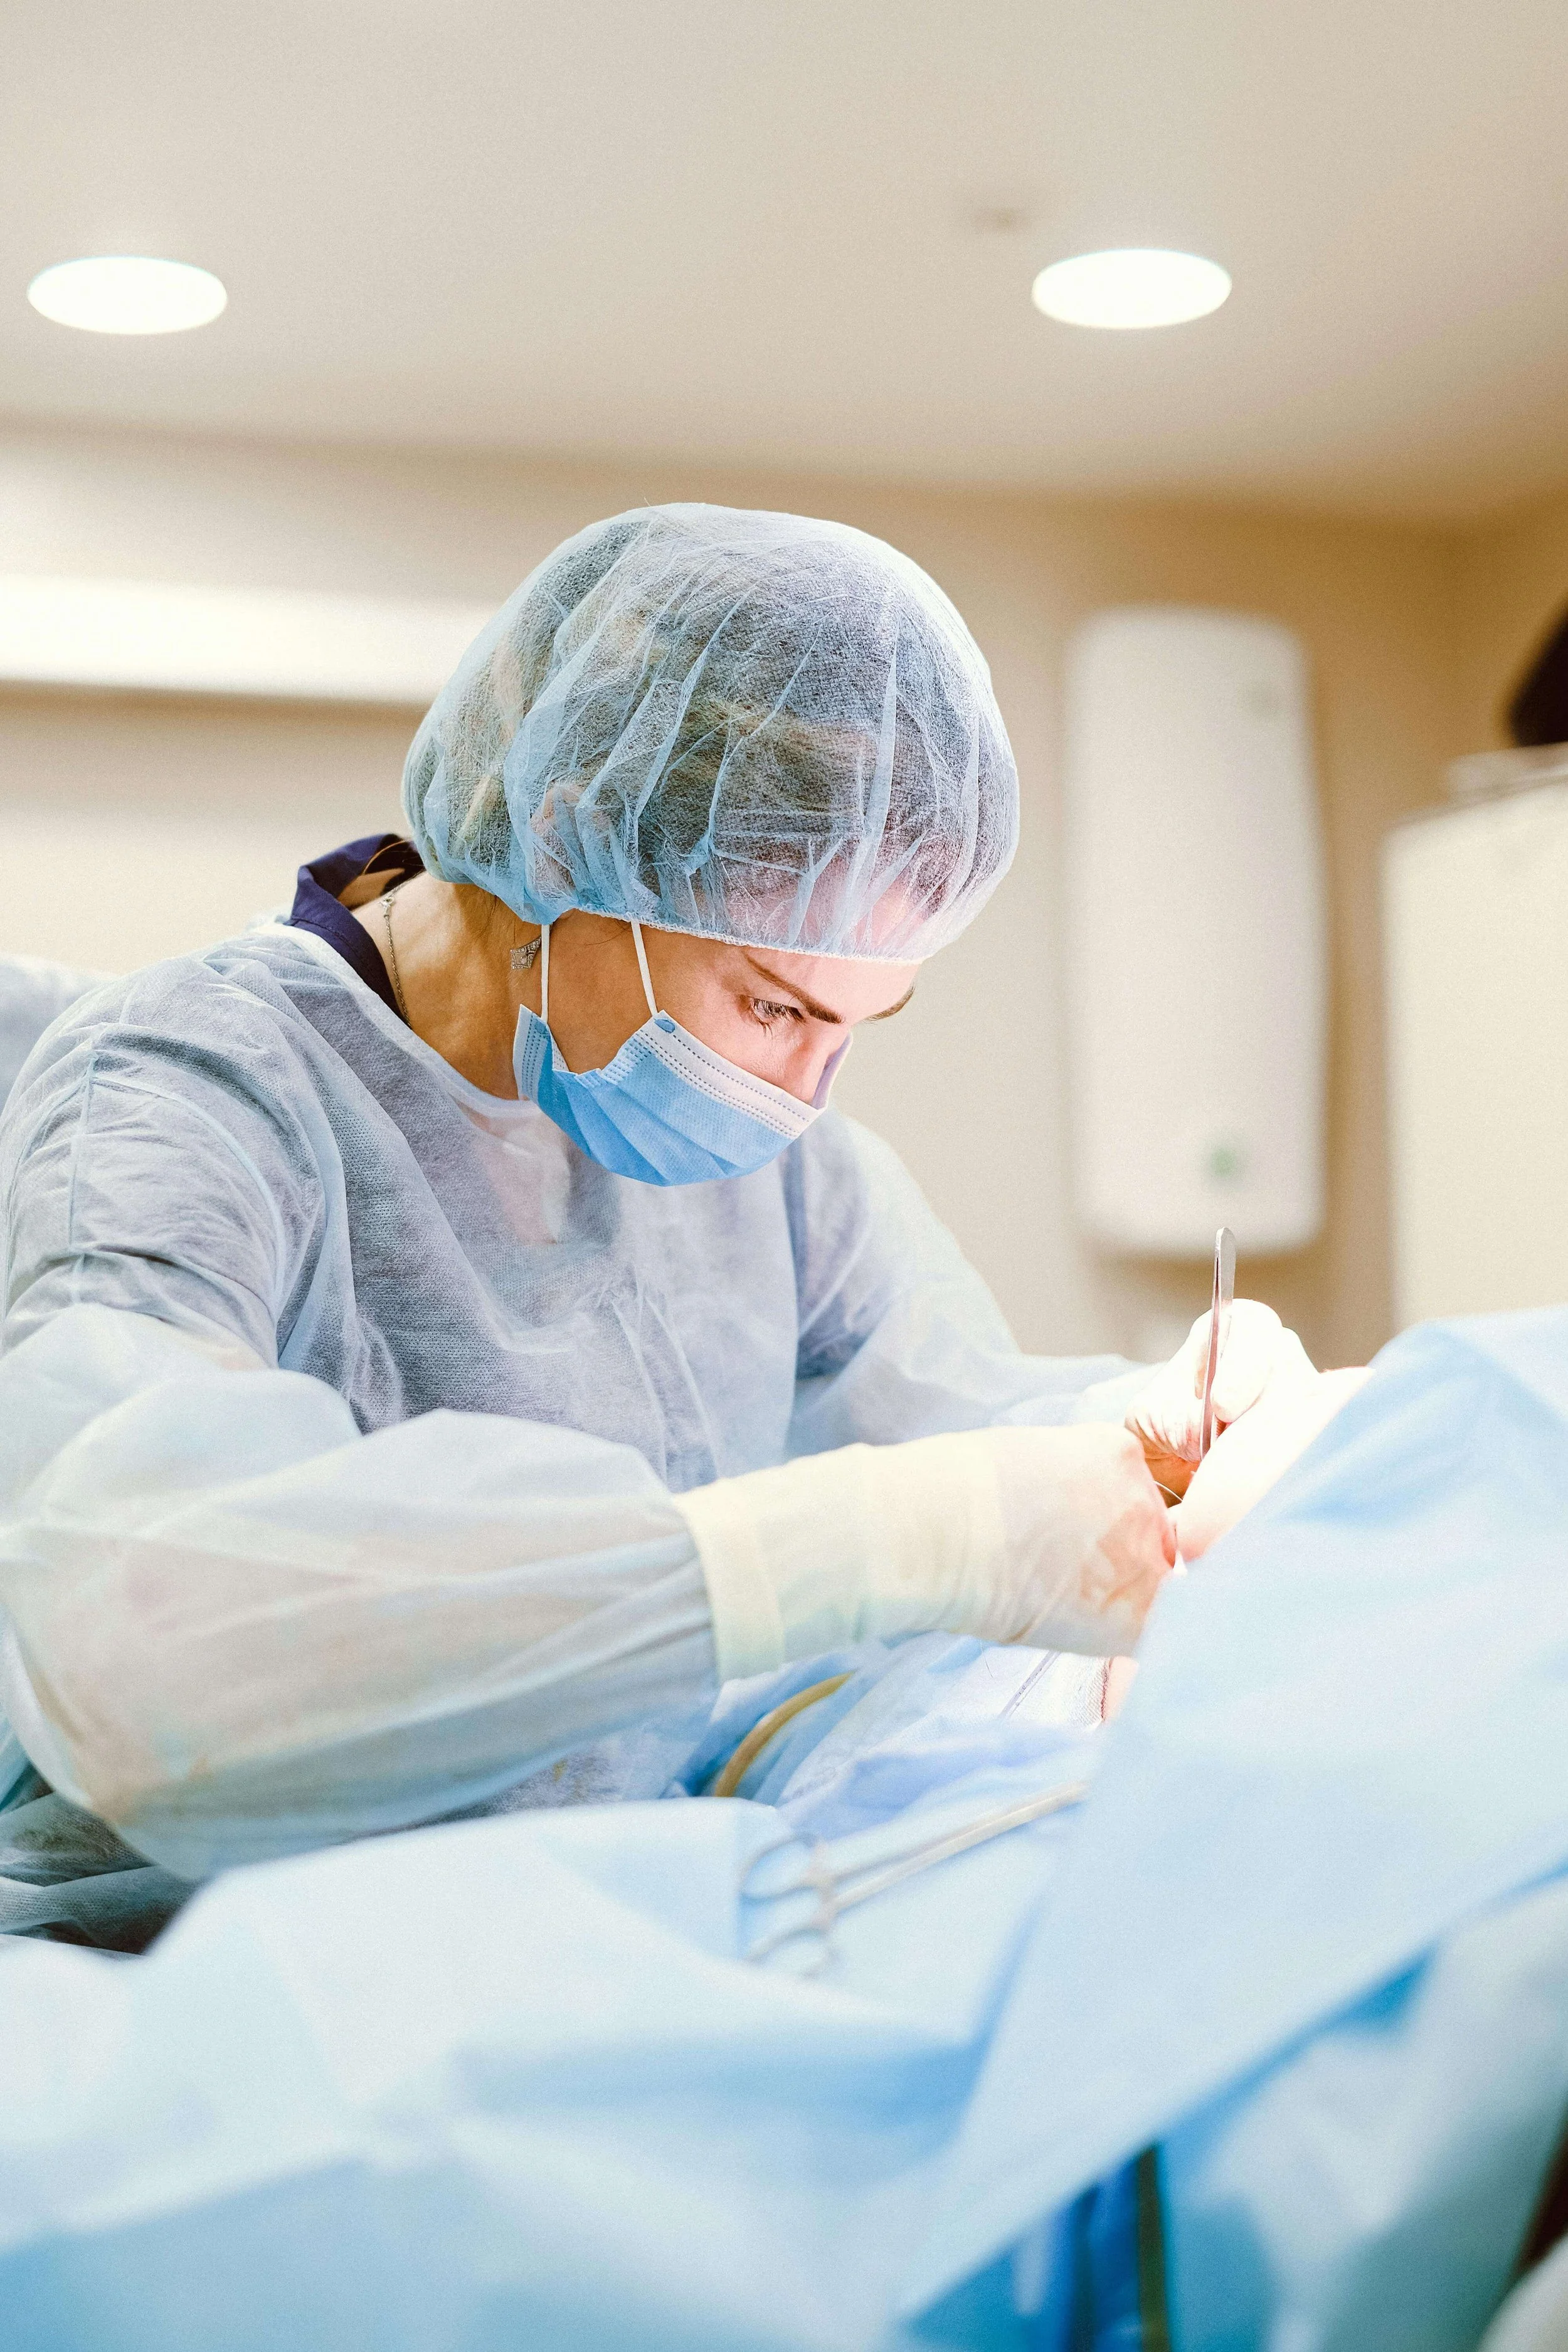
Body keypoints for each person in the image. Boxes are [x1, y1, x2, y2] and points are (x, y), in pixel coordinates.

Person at [0, 504, 1311, 1885]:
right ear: (568, 849)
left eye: (857, 1025)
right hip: (187, 1963)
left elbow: (945, 1414)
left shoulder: (781, 1177)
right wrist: (898, 1537)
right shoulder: (190, 1093)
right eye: (769, 1003)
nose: (803, 1091)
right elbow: (138, 1642)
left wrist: (1129, 1428)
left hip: (604, 1918)